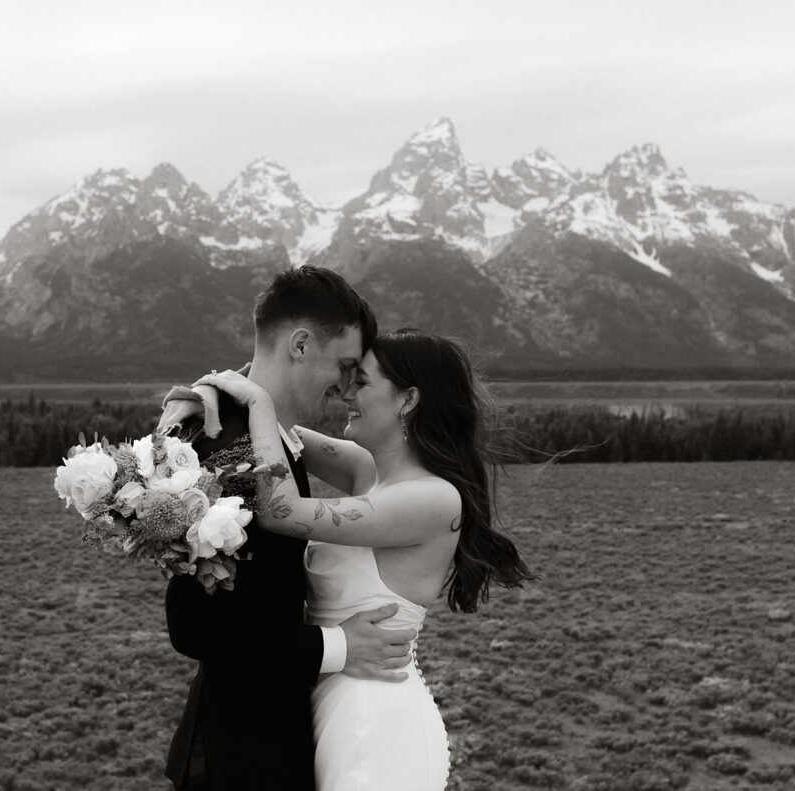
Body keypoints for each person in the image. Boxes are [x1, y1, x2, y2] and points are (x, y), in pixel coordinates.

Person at [195, 327, 535, 791]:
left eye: (363, 381)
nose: (345, 393)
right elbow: (278, 421)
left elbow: (281, 510)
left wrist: (255, 401)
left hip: (377, 721)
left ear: (408, 399)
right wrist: (202, 393)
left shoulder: (434, 499)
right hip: (333, 704)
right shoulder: (368, 471)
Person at [160, 267, 418, 791]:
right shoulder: (227, 447)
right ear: (301, 345)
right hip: (238, 756)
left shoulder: (266, 438)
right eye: (344, 365)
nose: (346, 388)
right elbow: (195, 624)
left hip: (265, 743)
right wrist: (339, 646)